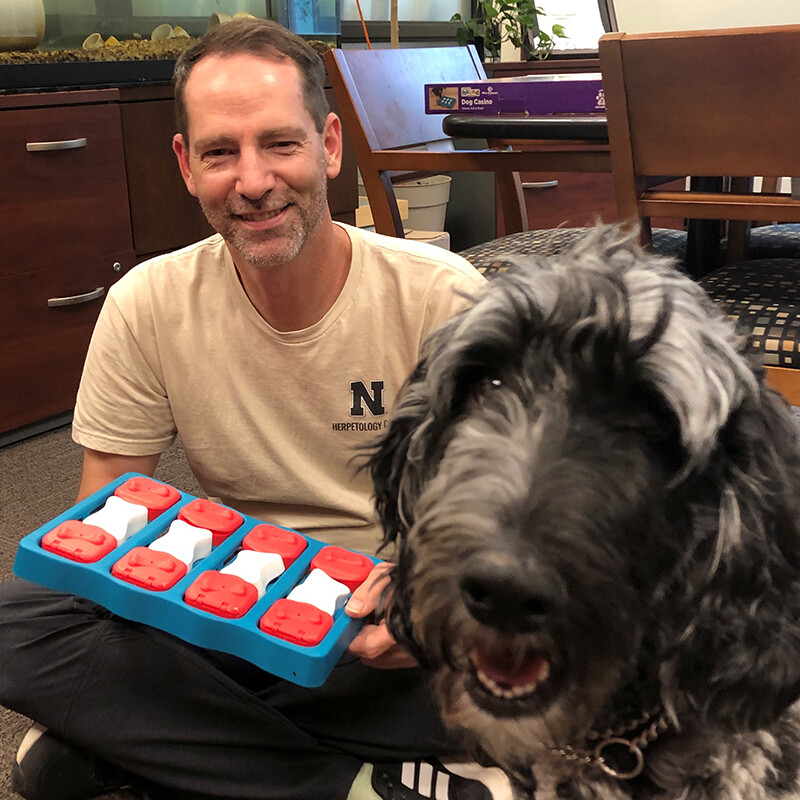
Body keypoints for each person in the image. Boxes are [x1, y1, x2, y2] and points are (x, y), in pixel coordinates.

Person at [0, 18, 507, 800]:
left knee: (534, 655)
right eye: (219, 152)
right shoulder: (147, 303)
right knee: (18, 621)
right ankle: (349, 784)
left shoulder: (442, 298)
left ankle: (157, 742)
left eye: (280, 144)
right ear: (185, 165)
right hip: (225, 614)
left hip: (388, 632)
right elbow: (94, 541)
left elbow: (507, 527)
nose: (253, 181)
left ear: (329, 145)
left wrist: (429, 603)